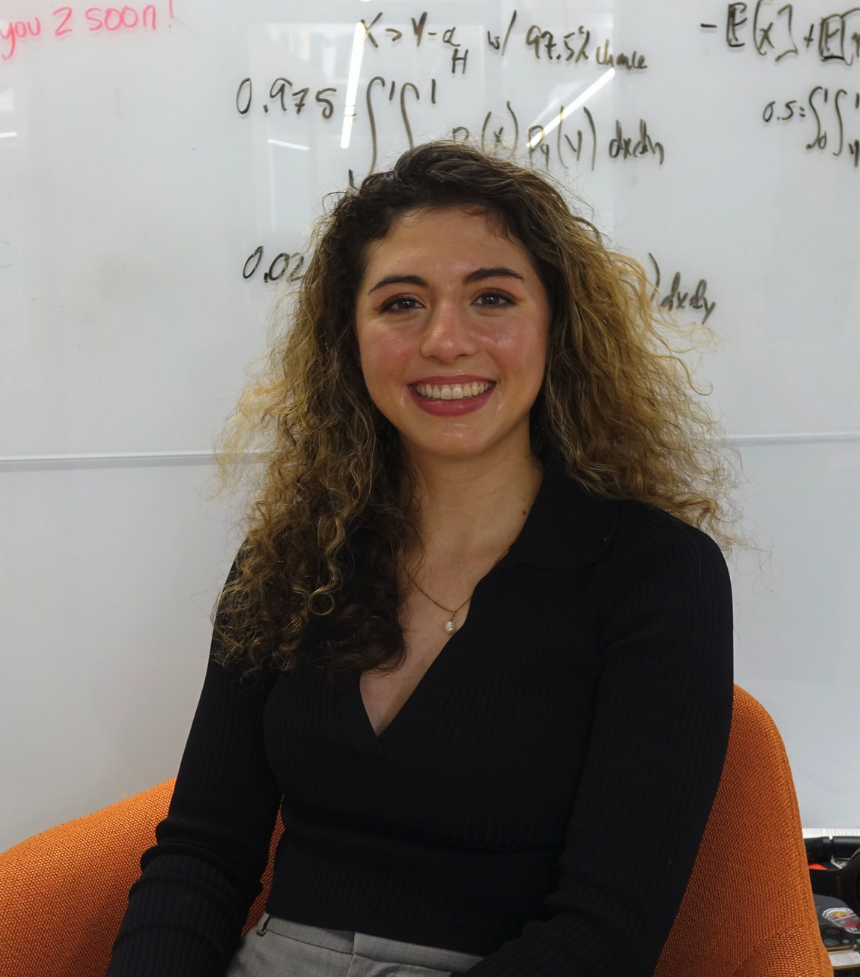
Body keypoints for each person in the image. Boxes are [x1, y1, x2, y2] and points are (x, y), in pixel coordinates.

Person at [106, 140, 735, 977]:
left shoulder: (658, 574)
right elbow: (201, 855)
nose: (445, 339)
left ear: (557, 323)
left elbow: (602, 936)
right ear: (350, 336)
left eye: (492, 296)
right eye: (401, 301)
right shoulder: (287, 559)